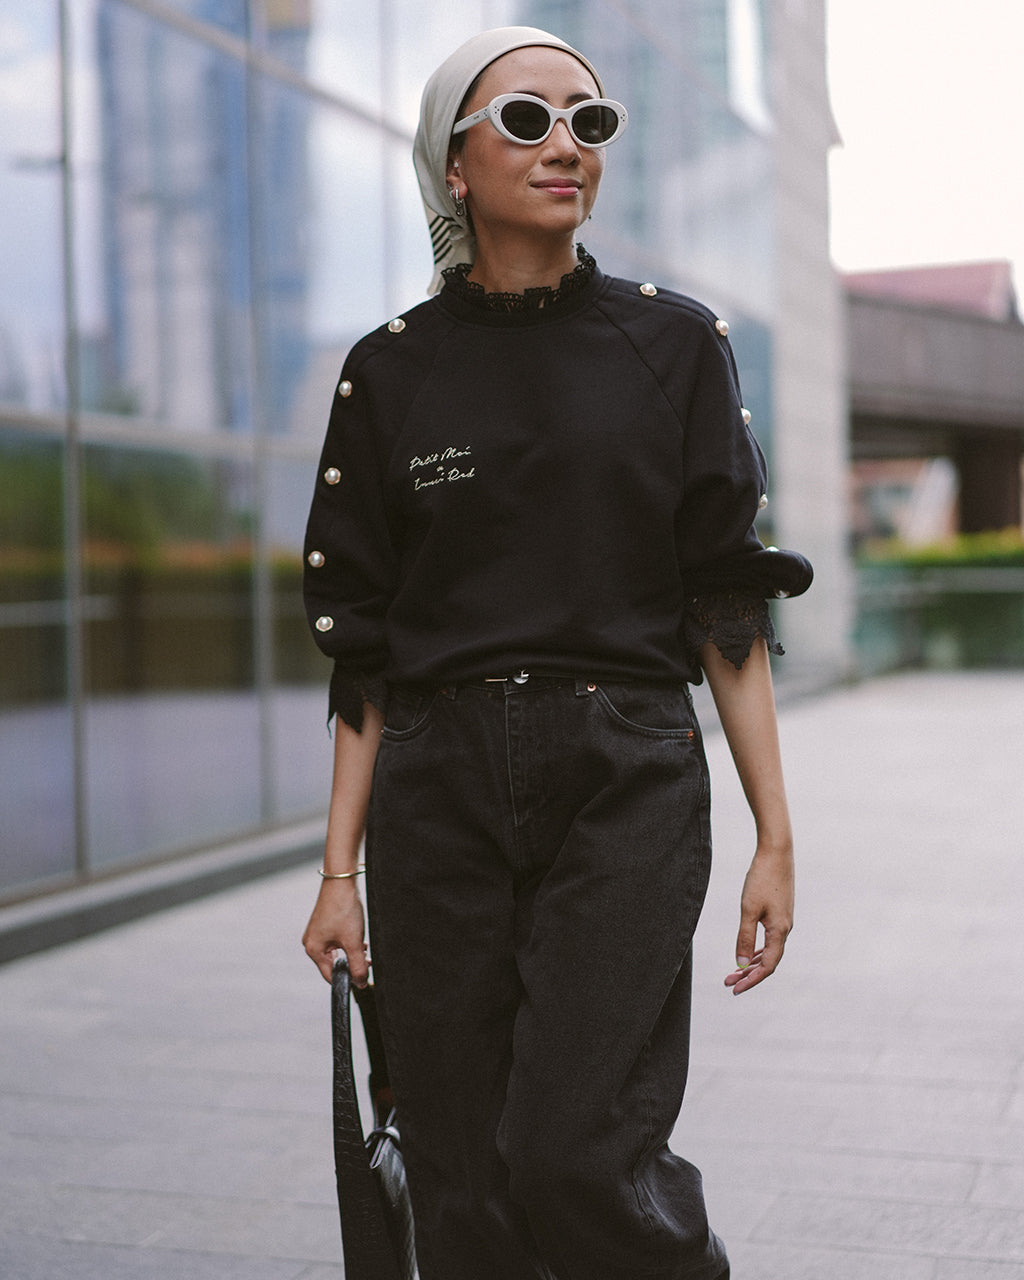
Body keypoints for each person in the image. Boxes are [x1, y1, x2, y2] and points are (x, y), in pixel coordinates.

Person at [301, 25, 812, 1280]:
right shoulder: (388, 374)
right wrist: (337, 870)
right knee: (461, 1175)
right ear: (454, 164)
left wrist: (775, 835)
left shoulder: (674, 345)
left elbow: (724, 601)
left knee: (576, 1151)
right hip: (436, 785)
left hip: (622, 771)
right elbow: (367, 647)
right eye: (526, 120)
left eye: (590, 121)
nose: (565, 144)